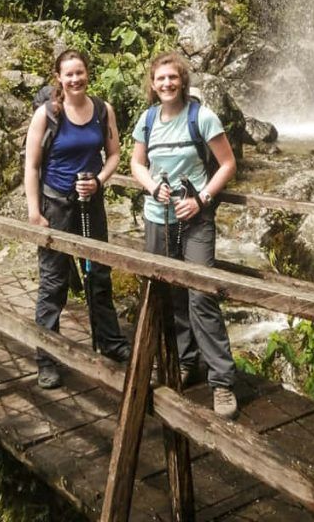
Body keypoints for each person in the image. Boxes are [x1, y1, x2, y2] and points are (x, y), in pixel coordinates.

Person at [130, 51, 239, 420]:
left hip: (195, 220)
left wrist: (202, 199)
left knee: (201, 295)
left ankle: (221, 381)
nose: (166, 84)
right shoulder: (147, 120)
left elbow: (227, 164)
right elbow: (136, 163)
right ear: (152, 83)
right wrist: (150, 187)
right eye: (160, 79)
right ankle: (185, 362)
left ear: (183, 80)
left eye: (172, 78)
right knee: (170, 293)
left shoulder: (202, 117)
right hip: (158, 218)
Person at [24, 49, 130, 389]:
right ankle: (47, 358)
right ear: (58, 77)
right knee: (53, 282)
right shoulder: (48, 114)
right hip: (56, 204)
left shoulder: (102, 110)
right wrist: (34, 211)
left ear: (88, 73)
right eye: (69, 74)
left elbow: (113, 155)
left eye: (80, 72)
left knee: (98, 274)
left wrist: (99, 180)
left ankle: (111, 343)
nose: (75, 79)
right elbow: (31, 165)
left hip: (91, 203)